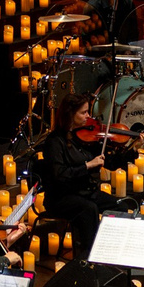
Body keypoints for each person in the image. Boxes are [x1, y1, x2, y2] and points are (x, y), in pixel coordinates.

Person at [37, 95, 113, 253]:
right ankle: (89, 255)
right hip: (60, 198)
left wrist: (132, 148)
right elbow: (60, 175)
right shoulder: (54, 142)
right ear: (70, 114)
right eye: (83, 112)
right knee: (89, 209)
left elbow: (109, 160)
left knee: (120, 206)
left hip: (83, 192)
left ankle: (111, 248)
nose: (88, 116)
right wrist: (87, 166)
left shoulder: (81, 137)